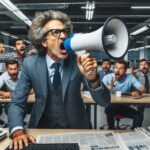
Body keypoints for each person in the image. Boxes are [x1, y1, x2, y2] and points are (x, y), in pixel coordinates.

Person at [7, 10, 110, 149]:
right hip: (40, 131)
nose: (63, 36)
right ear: (44, 41)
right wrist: (17, 130)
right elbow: (17, 103)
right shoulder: (30, 64)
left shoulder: (77, 61)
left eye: (65, 31)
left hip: (76, 129)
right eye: (56, 32)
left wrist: (92, 78)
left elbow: (104, 102)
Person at [102, 59, 145, 130]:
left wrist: (138, 92)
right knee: (110, 112)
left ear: (125, 71)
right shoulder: (107, 77)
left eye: (121, 68)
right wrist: (108, 87)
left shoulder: (130, 78)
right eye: (116, 67)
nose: (117, 70)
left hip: (124, 107)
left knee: (138, 116)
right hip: (110, 106)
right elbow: (99, 92)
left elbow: (143, 88)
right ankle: (111, 131)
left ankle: (134, 133)